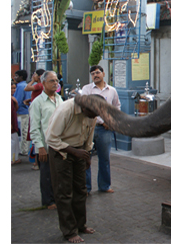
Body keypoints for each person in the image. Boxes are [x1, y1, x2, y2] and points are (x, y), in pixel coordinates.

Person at [45, 96, 100, 243]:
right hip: (61, 151)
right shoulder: (66, 109)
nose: (95, 117)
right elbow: (50, 138)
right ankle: (69, 232)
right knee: (64, 192)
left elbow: (89, 135)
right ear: (85, 107)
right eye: (93, 114)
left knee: (81, 190)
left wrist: (87, 154)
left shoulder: (92, 112)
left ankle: (80, 225)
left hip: (79, 150)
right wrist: (74, 152)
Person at [81, 65, 121, 194]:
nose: (95, 75)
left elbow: (116, 107)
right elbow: (85, 108)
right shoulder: (86, 90)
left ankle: (104, 186)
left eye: (97, 72)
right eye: (92, 73)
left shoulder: (112, 91)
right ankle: (86, 188)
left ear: (103, 74)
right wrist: (102, 121)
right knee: (86, 158)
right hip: (89, 128)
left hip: (105, 130)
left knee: (105, 159)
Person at [29, 71, 63, 210]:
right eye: (52, 81)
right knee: (47, 174)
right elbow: (34, 127)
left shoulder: (60, 99)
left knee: (59, 174)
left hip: (59, 145)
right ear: (43, 83)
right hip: (45, 146)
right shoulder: (38, 103)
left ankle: (57, 197)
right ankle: (48, 201)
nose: (55, 83)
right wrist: (40, 147)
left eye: (56, 81)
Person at [25, 69, 46, 170]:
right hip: (36, 109)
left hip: (38, 112)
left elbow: (27, 88)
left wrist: (33, 80)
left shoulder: (39, 85)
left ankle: (37, 163)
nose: (34, 76)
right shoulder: (41, 86)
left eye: (35, 74)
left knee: (36, 134)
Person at [14, 70, 32, 156]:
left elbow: (18, 100)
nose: (15, 77)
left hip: (21, 111)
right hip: (26, 110)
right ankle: (24, 149)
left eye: (16, 76)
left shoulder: (20, 86)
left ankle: (24, 150)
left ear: (21, 77)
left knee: (23, 131)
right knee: (25, 130)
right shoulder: (26, 85)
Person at [11, 80, 21, 165]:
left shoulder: (12, 99)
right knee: (13, 141)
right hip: (11, 124)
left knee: (15, 140)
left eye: (14, 88)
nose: (13, 90)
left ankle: (15, 158)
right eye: (11, 88)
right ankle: (12, 158)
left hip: (13, 123)